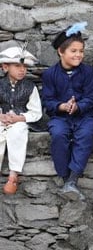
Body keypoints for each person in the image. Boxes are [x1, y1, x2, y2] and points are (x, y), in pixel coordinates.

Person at [42, 23, 93, 201]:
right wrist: (61, 106)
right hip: (60, 117)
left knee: (87, 134)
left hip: (84, 116)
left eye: (81, 51)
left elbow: (91, 97)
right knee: (58, 135)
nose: (79, 55)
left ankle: (72, 179)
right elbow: (48, 101)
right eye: (73, 51)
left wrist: (78, 106)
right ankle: (66, 178)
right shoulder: (50, 74)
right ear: (61, 52)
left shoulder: (88, 72)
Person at [0, 43, 41, 195]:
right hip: (2, 119)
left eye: (24, 67)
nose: (22, 70)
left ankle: (13, 175)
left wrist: (19, 118)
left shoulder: (30, 87)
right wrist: (1, 116)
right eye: (17, 66)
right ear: (5, 67)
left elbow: (36, 112)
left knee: (17, 133)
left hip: (20, 121)